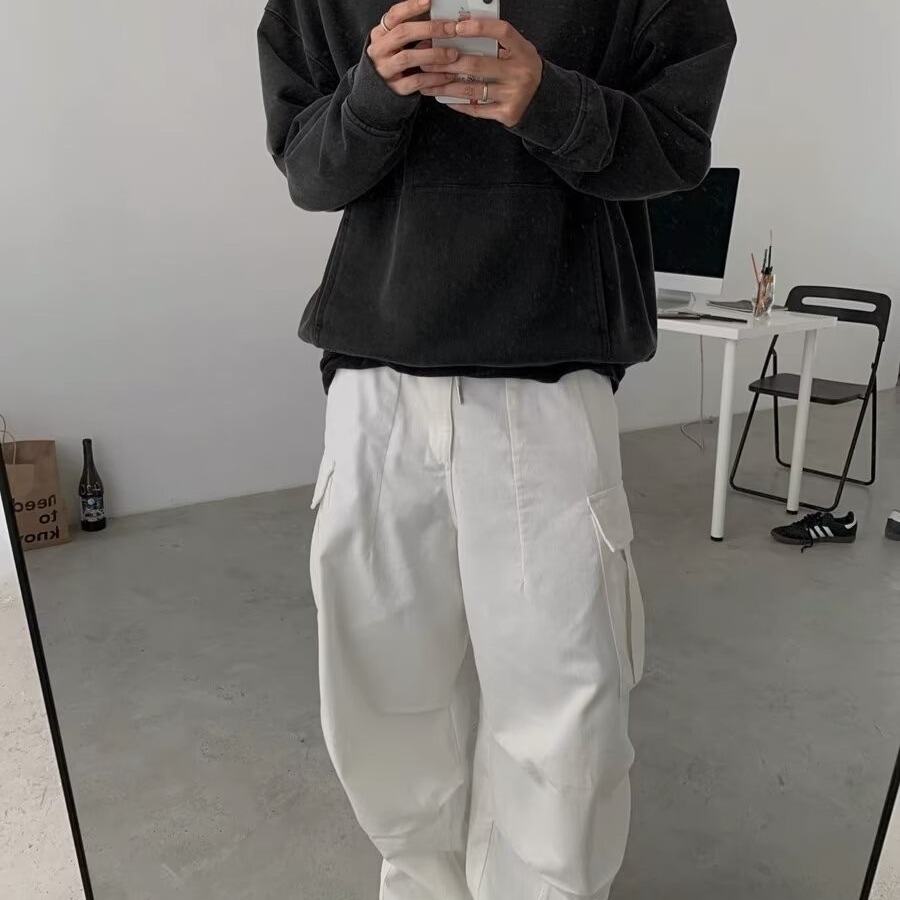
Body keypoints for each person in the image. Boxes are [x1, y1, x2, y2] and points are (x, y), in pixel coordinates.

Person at [257, 1, 736, 897]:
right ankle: (421, 885)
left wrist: (547, 98)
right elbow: (307, 171)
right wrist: (373, 93)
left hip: (550, 376)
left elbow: (679, 148)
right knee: (380, 692)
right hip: (379, 380)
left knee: (567, 708)